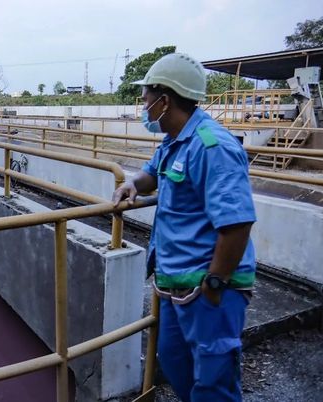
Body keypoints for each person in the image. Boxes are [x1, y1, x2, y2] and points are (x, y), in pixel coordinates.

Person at [112, 53, 256, 402]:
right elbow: (152, 173)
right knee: (175, 362)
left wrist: (215, 283)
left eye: (145, 99)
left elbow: (237, 224)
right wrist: (133, 183)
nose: (143, 108)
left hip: (209, 285)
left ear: (164, 100)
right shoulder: (175, 140)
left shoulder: (212, 147)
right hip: (175, 282)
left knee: (213, 381)